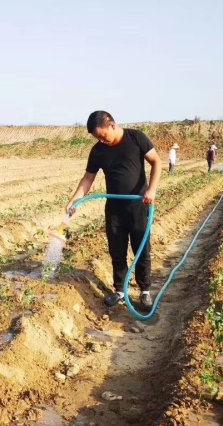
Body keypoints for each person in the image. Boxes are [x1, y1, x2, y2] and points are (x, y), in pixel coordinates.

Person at [65, 111, 161, 308]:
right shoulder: (98, 151)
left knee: (141, 249)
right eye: (97, 137)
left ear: (112, 125)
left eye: (102, 135)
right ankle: (119, 290)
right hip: (114, 209)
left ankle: (144, 291)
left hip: (139, 206)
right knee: (117, 251)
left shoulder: (136, 138)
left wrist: (151, 190)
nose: (101, 140)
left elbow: (156, 162)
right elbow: (88, 178)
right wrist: (75, 200)